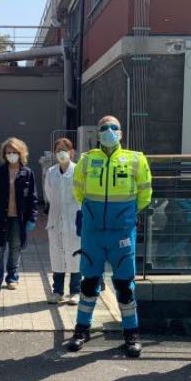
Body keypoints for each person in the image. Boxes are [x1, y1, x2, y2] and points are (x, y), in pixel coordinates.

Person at [67, 115, 153, 357]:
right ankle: (81, 330)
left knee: (124, 285)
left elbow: (145, 193)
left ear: (121, 133)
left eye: (114, 127)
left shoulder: (135, 159)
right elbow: (78, 189)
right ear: (98, 133)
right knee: (89, 282)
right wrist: (92, 213)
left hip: (122, 233)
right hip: (93, 232)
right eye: (104, 127)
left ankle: (131, 334)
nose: (109, 131)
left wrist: (126, 215)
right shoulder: (87, 159)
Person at [0, 137, 38, 292]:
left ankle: (12, 278)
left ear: (21, 153)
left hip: (19, 219)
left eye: (14, 152)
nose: (11, 155)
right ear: (4, 154)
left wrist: (32, 218)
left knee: (15, 248)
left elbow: (33, 198)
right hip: (0, 217)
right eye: (8, 152)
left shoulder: (28, 173)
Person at [44, 137, 81, 304]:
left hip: (74, 219)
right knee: (57, 256)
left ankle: (75, 291)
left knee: (75, 255)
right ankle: (57, 291)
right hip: (56, 219)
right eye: (58, 150)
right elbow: (49, 194)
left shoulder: (78, 171)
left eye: (65, 150)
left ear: (72, 152)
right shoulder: (51, 172)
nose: (61, 153)